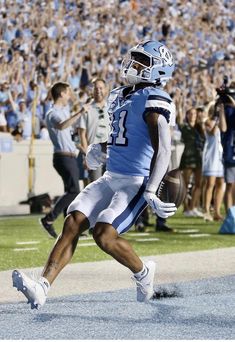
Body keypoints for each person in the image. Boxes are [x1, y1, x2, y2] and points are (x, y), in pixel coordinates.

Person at [12, 40, 177, 308]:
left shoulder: (155, 98)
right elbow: (125, 140)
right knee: (73, 220)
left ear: (158, 70)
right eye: (133, 58)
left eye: (142, 62)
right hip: (112, 175)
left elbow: (164, 147)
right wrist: (99, 148)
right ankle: (42, 287)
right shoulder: (120, 95)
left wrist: (151, 190)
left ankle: (144, 274)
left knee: (103, 234)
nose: (133, 64)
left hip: (135, 182)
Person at [40, 82, 83, 238]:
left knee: (71, 193)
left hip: (69, 156)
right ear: (61, 94)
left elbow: (69, 134)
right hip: (63, 157)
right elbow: (62, 126)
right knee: (74, 191)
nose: (70, 95)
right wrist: (80, 112)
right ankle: (48, 219)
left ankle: (70, 228)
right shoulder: (53, 113)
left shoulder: (64, 110)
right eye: (68, 92)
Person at [77, 78, 110, 182]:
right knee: (96, 188)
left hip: (111, 154)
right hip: (95, 154)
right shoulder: (87, 109)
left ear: (106, 90)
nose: (98, 90)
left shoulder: (112, 108)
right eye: (96, 88)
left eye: (101, 88)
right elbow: (82, 134)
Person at [202, 104, 224, 221]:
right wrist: (217, 118)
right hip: (211, 156)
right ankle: (206, 210)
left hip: (220, 156)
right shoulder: (207, 121)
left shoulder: (222, 121)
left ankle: (217, 211)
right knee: (210, 184)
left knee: (221, 183)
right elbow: (212, 132)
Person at [218, 81, 235, 212]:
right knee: (230, 184)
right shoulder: (227, 110)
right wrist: (221, 109)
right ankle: (230, 214)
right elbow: (223, 128)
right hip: (230, 150)